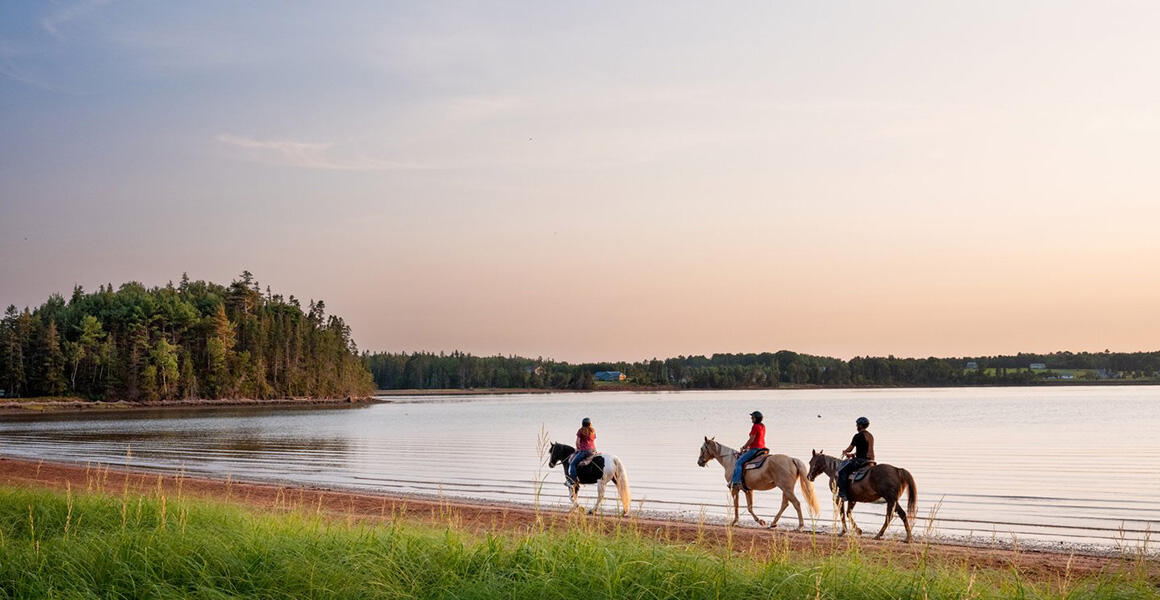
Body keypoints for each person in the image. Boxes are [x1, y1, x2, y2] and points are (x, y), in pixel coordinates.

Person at [837, 416, 875, 501]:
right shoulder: (870, 436)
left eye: (857, 425)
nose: (856, 427)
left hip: (860, 461)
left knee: (842, 472)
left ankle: (842, 493)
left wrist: (845, 451)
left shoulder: (858, 436)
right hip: (871, 461)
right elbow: (865, 450)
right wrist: (853, 455)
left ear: (860, 425)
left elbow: (850, 448)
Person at [730, 411, 767, 489]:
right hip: (762, 448)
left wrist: (744, 446)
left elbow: (752, 439)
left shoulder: (755, 426)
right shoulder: (762, 426)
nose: (751, 419)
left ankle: (736, 482)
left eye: (753, 417)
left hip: (755, 449)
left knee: (738, 462)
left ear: (756, 419)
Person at [567, 417, 596, 484]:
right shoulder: (593, 431)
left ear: (582, 423)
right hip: (592, 450)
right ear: (590, 424)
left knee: (573, 464)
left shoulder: (580, 431)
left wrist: (578, 448)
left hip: (584, 451)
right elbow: (593, 441)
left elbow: (577, 442)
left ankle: (572, 480)